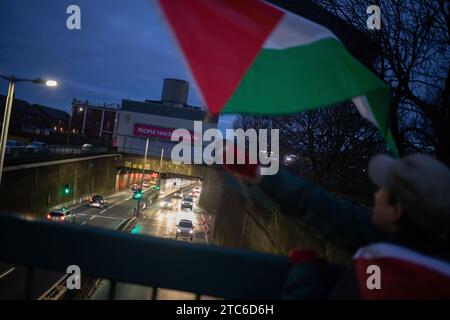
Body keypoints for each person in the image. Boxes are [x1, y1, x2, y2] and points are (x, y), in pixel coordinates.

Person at [223, 153, 450, 299]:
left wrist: (303, 275)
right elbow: (327, 210)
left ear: (396, 211)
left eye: (382, 189)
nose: (376, 194)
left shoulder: (386, 283)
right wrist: (260, 174)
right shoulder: (410, 248)